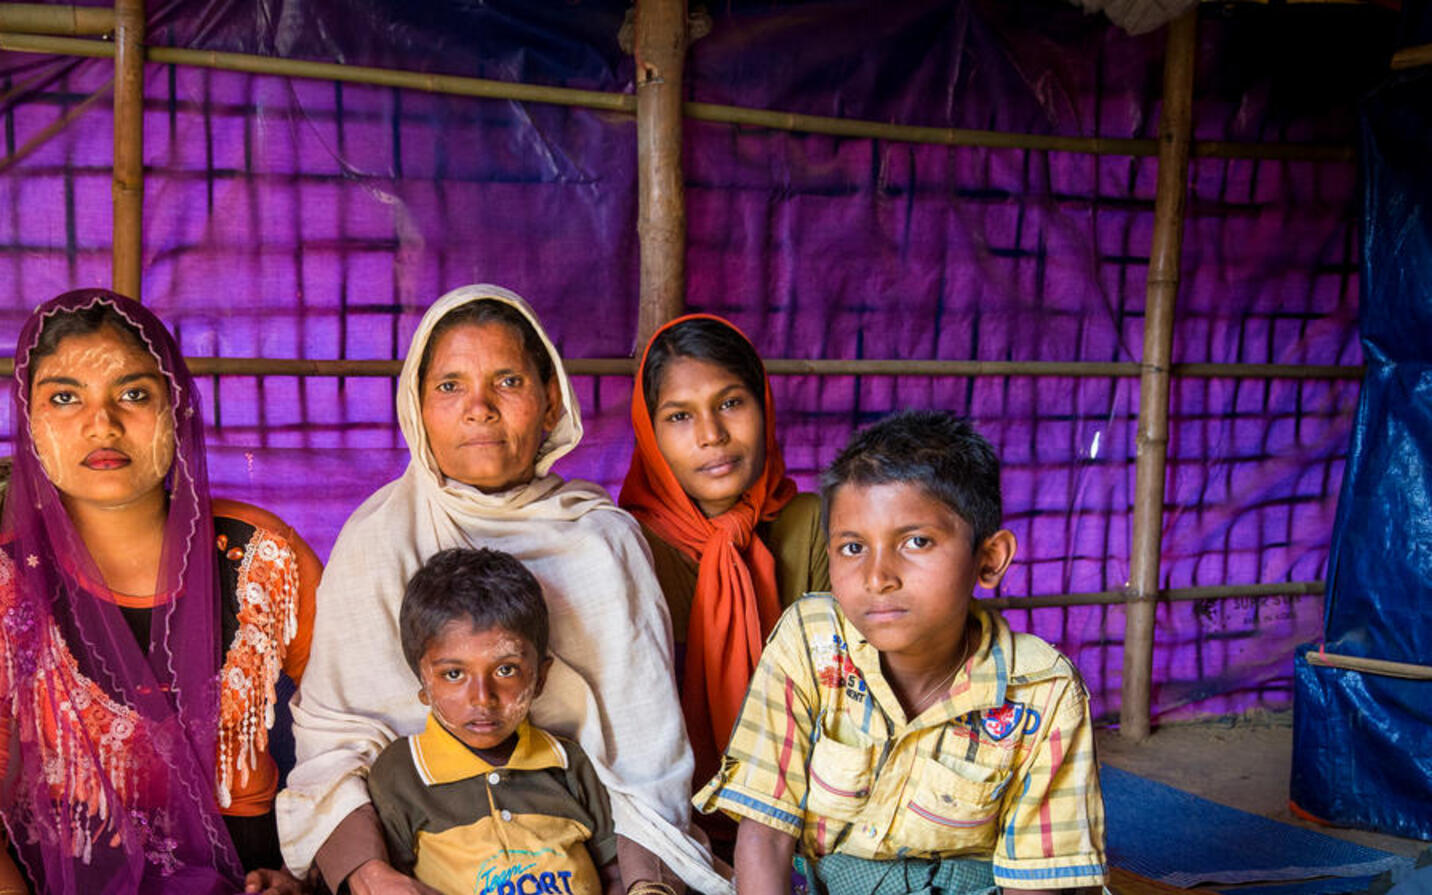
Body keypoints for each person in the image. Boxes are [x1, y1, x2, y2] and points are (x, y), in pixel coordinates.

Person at [278, 285, 724, 895]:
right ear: (417, 408)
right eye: (449, 385)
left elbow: (645, 760)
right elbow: (336, 743)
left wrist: (641, 884)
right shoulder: (378, 538)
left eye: (508, 382)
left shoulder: (605, 543)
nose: (479, 407)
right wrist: (373, 875)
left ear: (550, 405)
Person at [0, 289, 321, 894]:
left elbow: (357, 737)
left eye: (133, 394)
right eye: (65, 398)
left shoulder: (264, 558)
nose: (101, 424)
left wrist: (309, 875)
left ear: (176, 409)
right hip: (62, 878)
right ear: (30, 422)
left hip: (250, 875)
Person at [693, 411, 1107, 895]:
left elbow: (1033, 886)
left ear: (989, 559)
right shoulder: (810, 642)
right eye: (852, 548)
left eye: (916, 541)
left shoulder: (1044, 691)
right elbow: (764, 835)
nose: (877, 577)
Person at [369, 548, 664, 895]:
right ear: (423, 685)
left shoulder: (570, 764)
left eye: (505, 670)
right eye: (453, 674)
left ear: (539, 678)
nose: (482, 697)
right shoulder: (402, 773)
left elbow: (613, 873)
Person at [618, 315, 829, 789]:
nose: (711, 434)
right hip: (667, 810)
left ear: (764, 405)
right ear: (649, 435)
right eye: (679, 416)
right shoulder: (626, 546)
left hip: (807, 798)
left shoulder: (811, 525)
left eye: (731, 403)